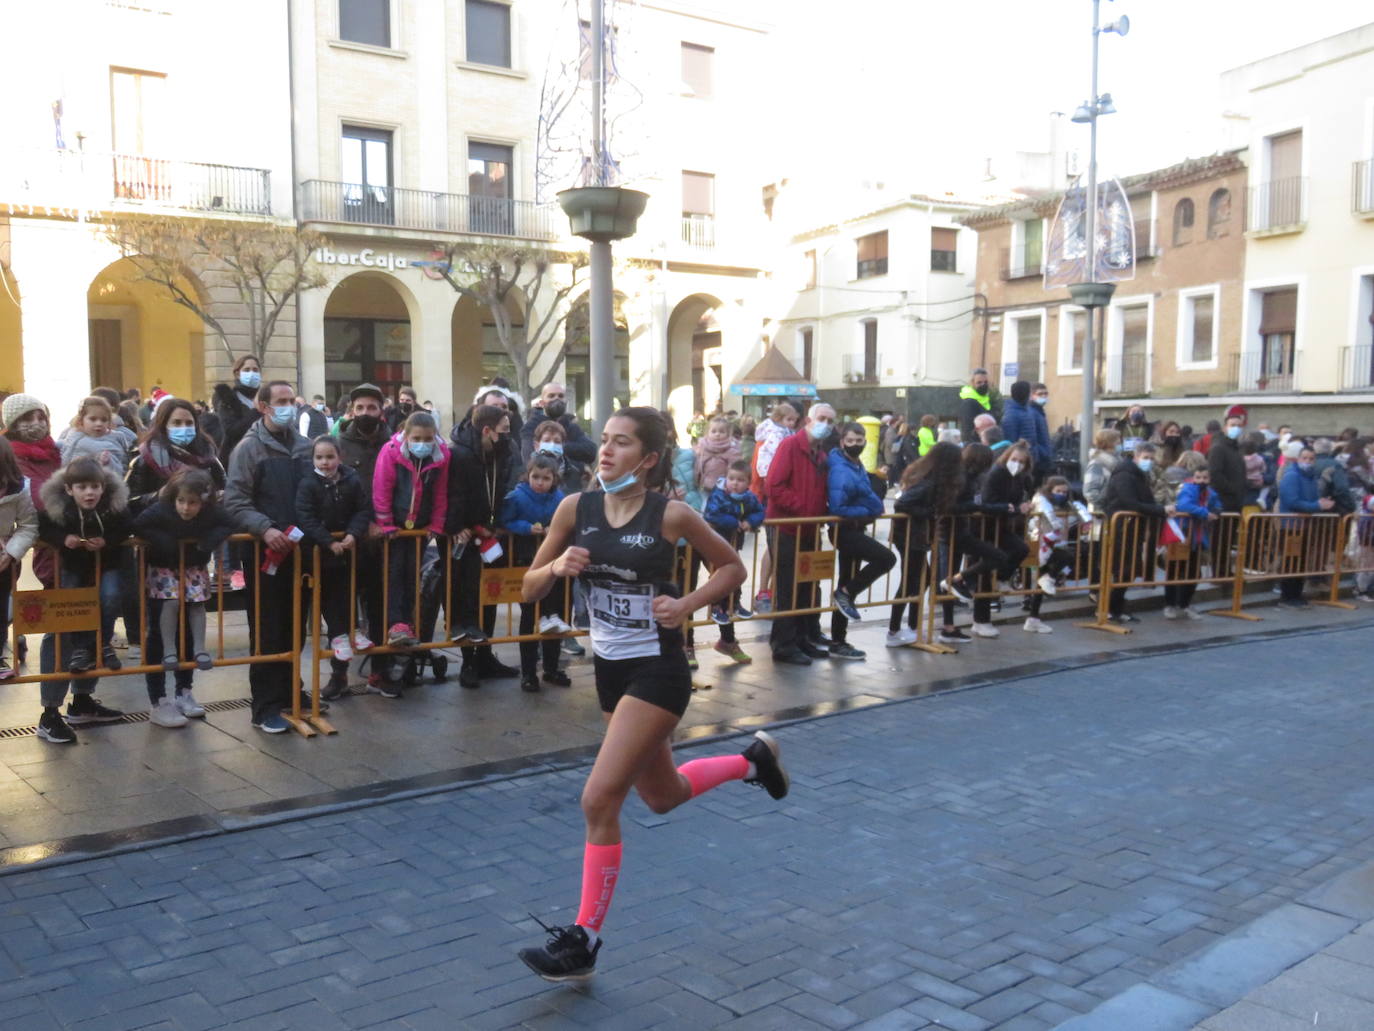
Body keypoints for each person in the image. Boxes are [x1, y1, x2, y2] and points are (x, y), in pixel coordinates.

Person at [515, 406, 785, 983]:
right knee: (662, 794)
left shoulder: (673, 515)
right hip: (611, 672)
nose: (605, 452)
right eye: (604, 441)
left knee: (598, 799)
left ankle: (582, 940)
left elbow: (732, 569)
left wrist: (687, 605)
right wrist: (558, 564)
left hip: (659, 672)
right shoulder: (573, 509)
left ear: (650, 458)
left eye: (621, 443)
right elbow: (526, 588)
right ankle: (751, 761)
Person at [222, 379, 315, 733]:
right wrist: (265, 528)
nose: (288, 405)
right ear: (263, 407)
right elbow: (236, 500)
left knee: (296, 625)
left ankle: (293, 690)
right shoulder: (248, 449)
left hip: (301, 551)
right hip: (265, 553)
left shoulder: (306, 448)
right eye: (281, 400)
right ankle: (265, 706)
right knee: (267, 628)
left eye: (291, 399)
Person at [35, 457, 131, 741]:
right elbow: (39, 526)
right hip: (64, 576)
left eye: (94, 487)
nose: (89, 492)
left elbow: (125, 524)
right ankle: (50, 712)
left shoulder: (113, 505)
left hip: (101, 574)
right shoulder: (55, 506)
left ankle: (82, 700)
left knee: (93, 632)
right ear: (68, 488)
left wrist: (108, 542)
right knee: (62, 635)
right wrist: (62, 539)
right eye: (82, 487)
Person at [132, 469, 237, 726]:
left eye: (193, 503)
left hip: (193, 571)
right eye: (182, 501)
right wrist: (165, 541)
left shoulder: (210, 512)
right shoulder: (161, 509)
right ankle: (158, 701)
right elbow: (138, 524)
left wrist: (207, 542)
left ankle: (184, 691)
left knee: (189, 631)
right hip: (163, 571)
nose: (187, 508)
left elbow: (229, 522)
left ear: (203, 502)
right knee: (157, 634)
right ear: (173, 498)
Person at [445, 403, 520, 688]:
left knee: (490, 594)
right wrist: (458, 526)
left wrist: (497, 522)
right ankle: (468, 663)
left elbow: (500, 489)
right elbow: (455, 495)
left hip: (490, 533)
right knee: (467, 596)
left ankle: (486, 656)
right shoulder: (461, 454)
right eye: (503, 430)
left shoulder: (499, 453)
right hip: (466, 536)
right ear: (487, 430)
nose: (507, 436)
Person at [297, 435, 375, 684]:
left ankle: (352, 631)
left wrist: (353, 533)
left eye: (329, 457)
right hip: (321, 551)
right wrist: (327, 541)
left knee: (350, 590)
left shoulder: (351, 480)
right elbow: (305, 516)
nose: (324, 462)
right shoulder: (309, 483)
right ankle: (338, 635)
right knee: (329, 596)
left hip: (348, 549)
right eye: (319, 457)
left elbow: (363, 509)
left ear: (339, 457)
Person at [332, 383, 394, 695]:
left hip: (383, 541)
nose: (366, 414)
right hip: (348, 538)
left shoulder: (394, 442)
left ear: (381, 410)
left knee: (380, 607)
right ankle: (338, 674)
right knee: (342, 610)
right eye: (360, 408)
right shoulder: (339, 443)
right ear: (351, 411)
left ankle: (380, 671)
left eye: (372, 408)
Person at [767, 402, 836, 666]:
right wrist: (804, 510)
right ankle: (783, 643)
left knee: (807, 585)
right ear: (808, 420)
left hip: (809, 527)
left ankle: (801, 638)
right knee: (787, 587)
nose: (826, 425)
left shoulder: (820, 454)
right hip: (787, 526)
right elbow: (774, 485)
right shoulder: (790, 446)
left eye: (830, 421)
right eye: (822, 419)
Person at [501, 453, 572, 692]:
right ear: (528, 475)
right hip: (527, 562)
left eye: (546, 478)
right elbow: (506, 521)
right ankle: (529, 672)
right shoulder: (518, 496)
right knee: (530, 617)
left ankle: (552, 668)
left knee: (555, 618)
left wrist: (555, 529)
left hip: (555, 565)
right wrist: (526, 528)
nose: (540, 482)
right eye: (536, 477)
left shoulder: (560, 499)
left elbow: (566, 523)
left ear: (554, 479)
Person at [825, 422, 895, 661]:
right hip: (845, 530)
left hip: (854, 528)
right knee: (887, 558)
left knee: (846, 580)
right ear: (842, 441)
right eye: (852, 440)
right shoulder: (841, 469)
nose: (856, 444)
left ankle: (838, 640)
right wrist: (866, 512)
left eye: (860, 440)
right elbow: (838, 507)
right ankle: (845, 594)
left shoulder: (854, 464)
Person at [952, 440, 1033, 638]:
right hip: (982, 527)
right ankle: (979, 617)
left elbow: (1013, 503)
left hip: (1000, 525)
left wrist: (1019, 508)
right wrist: (1012, 508)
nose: (1017, 464)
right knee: (983, 573)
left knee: (1020, 549)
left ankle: (1002, 578)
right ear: (1007, 457)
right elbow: (989, 501)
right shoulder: (996, 474)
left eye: (1021, 462)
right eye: (1014, 460)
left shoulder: (1019, 478)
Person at [888, 442, 959, 647]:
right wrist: (929, 513)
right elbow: (902, 503)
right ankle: (894, 630)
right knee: (911, 581)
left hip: (913, 535)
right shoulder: (928, 481)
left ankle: (912, 627)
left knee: (921, 579)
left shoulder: (925, 474)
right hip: (911, 536)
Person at [1102, 441, 1174, 624]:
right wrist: (1160, 510)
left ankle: (1117, 608)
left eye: (1151, 458)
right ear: (1136, 457)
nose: (1148, 461)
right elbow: (1130, 502)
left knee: (1130, 570)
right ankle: (1109, 609)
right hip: (1122, 526)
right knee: (1123, 569)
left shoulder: (1139, 474)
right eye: (1145, 458)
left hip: (1133, 527)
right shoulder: (1125, 474)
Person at [701, 460, 764, 664]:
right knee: (720, 576)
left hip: (733, 545)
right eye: (731, 479)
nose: (735, 484)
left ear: (748, 482)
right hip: (717, 542)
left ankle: (734, 604)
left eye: (740, 480)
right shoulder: (719, 494)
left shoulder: (747, 497)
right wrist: (734, 523)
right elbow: (712, 513)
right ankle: (718, 606)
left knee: (736, 576)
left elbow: (759, 511)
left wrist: (750, 522)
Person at [749, 402, 798, 613]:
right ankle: (765, 593)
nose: (792, 424)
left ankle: (770, 592)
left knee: (775, 547)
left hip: (774, 496)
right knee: (775, 547)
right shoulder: (773, 437)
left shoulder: (780, 434)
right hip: (772, 498)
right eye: (789, 420)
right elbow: (765, 470)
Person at [1026, 475, 1091, 631]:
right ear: (1050, 490)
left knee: (1044, 579)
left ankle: (1033, 618)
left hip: (1053, 545)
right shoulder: (1041, 500)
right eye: (1058, 491)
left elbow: (1080, 514)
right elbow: (1045, 512)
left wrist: (1086, 519)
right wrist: (1056, 525)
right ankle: (1030, 612)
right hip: (1036, 543)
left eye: (1064, 492)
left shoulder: (1067, 505)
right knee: (1035, 579)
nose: (1061, 494)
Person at [1276, 445, 1336, 608]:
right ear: (1298, 459)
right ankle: (1287, 596)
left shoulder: (1312, 477)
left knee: (1301, 562)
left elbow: (1311, 499)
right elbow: (1292, 501)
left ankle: (1296, 594)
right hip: (1291, 525)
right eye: (1305, 458)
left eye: (1311, 459)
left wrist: (1320, 503)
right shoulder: (1292, 476)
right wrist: (1317, 506)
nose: (1308, 462)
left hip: (1304, 525)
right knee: (1291, 561)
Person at [1162, 461, 1222, 620]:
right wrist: (1204, 513)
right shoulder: (1187, 489)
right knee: (1175, 571)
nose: (1202, 480)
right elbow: (1184, 505)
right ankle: (1170, 604)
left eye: (1205, 477)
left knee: (1194, 572)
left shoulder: (1210, 492)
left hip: (1198, 537)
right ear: (1193, 477)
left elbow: (1217, 505)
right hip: (1182, 535)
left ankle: (1185, 604)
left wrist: (1216, 511)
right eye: (1198, 477)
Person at [0, 436, 38, 681]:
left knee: (2, 608)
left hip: (4, 559)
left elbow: (28, 525)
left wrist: (11, 552)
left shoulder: (20, 488)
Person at [520, 382, 596, 480]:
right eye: (551, 396)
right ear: (542, 403)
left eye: (561, 396)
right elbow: (530, 459)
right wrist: (581, 466)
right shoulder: (530, 427)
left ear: (566, 401)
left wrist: (560, 448)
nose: (557, 399)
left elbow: (590, 451)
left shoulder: (572, 427)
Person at [211, 354, 263, 463]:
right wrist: (256, 411)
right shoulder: (228, 399)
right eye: (247, 370)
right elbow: (231, 431)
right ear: (237, 374)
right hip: (236, 457)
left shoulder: (267, 396)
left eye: (255, 369)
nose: (252, 373)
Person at [60, 396, 131, 473]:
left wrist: (108, 462)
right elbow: (65, 463)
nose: (99, 423)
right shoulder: (73, 440)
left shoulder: (115, 441)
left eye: (104, 420)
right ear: (81, 420)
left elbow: (121, 470)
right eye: (93, 419)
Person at [1000, 382, 1050, 482]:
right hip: (1021, 460)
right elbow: (1011, 441)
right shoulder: (1012, 414)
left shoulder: (1026, 411)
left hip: (1032, 459)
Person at [1207, 412, 1247, 513]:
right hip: (1222, 502)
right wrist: (1233, 489)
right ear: (1225, 428)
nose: (1236, 428)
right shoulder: (1218, 448)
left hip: (1236, 501)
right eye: (1233, 425)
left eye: (1239, 426)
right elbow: (1215, 474)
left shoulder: (1237, 449)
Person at [693, 415, 740, 497]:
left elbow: (735, 469)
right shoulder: (702, 447)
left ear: (728, 433)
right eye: (713, 431)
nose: (717, 434)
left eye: (721, 432)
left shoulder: (731, 450)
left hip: (724, 489)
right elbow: (697, 466)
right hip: (704, 487)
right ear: (708, 433)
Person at [1083, 429, 1121, 513]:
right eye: (1118, 443)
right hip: (1102, 512)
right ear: (1109, 443)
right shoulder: (1096, 464)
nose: (1120, 445)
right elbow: (1090, 492)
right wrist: (1105, 505)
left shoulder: (1118, 462)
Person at [958, 368, 996, 442]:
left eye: (986, 382)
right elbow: (968, 430)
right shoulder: (969, 402)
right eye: (979, 382)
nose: (983, 385)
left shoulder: (985, 399)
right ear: (972, 383)